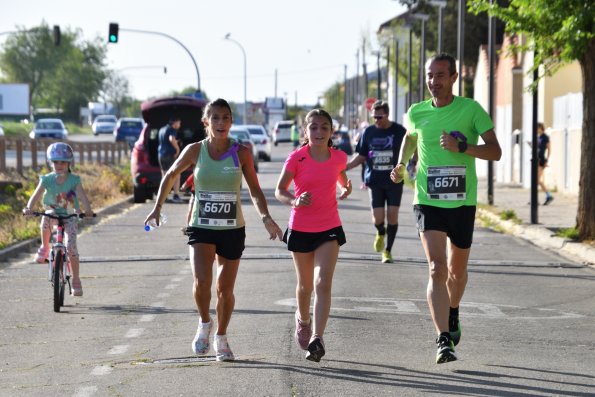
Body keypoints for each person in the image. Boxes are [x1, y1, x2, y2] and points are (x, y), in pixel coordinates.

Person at [145, 98, 283, 362]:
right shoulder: (195, 150)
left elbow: (254, 189)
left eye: (226, 118)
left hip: (232, 228)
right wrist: (157, 207)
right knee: (202, 283)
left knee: (225, 289)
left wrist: (265, 216)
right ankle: (204, 322)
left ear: (231, 121)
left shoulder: (240, 152)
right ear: (206, 122)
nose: (221, 123)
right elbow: (171, 174)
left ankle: (221, 336)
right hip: (201, 225)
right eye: (215, 118)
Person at [390, 53, 502, 364]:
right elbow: (410, 139)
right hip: (427, 200)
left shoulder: (471, 110)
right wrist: (401, 162)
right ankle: (442, 339)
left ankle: (453, 311)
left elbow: (496, 151)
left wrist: (463, 147)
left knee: (457, 271)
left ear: (453, 78)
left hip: (462, 203)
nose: (434, 81)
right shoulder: (416, 111)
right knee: (437, 269)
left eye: (440, 75)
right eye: (429, 75)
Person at [275, 108, 352, 362]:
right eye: (314, 127)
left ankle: (317, 338)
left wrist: (346, 187)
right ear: (306, 131)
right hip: (301, 229)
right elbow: (279, 191)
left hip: (329, 227)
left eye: (324, 127)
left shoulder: (339, 157)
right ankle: (303, 319)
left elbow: (340, 175)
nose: (319, 132)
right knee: (305, 286)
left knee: (322, 283)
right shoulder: (296, 159)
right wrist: (295, 201)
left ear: (331, 132)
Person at [23, 142, 94, 297]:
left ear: (69, 163)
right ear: (51, 162)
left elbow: (82, 195)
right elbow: (35, 195)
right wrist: (29, 208)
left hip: (69, 215)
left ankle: (75, 279)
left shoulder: (74, 180)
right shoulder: (47, 179)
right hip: (53, 213)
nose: (59, 165)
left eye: (63, 162)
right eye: (55, 162)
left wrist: (87, 210)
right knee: (45, 219)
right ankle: (45, 248)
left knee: (71, 247)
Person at [346, 100, 406, 264]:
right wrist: (347, 167)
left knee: (392, 216)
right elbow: (361, 155)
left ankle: (387, 251)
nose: (377, 120)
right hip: (375, 181)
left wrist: (412, 164)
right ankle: (380, 232)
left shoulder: (399, 131)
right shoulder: (369, 132)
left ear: (387, 114)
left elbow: (410, 149)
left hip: (394, 180)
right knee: (377, 218)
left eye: (379, 117)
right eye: (374, 117)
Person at [158, 116, 184, 203]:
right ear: (175, 123)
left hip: (161, 155)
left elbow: (165, 141)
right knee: (177, 175)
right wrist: (177, 149)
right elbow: (171, 138)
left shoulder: (162, 129)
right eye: (179, 123)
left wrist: (175, 142)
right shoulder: (172, 129)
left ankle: (163, 196)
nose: (180, 125)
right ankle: (176, 195)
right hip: (170, 155)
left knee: (164, 176)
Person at [537, 122, 554, 205]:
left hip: (541, 160)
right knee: (536, 180)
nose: (536, 130)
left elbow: (549, 150)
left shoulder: (545, 137)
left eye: (537, 128)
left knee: (537, 180)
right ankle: (546, 196)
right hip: (536, 159)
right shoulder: (538, 137)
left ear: (540, 128)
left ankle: (548, 195)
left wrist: (546, 160)